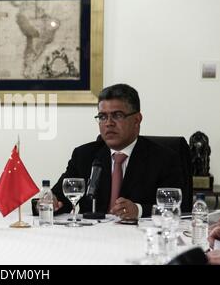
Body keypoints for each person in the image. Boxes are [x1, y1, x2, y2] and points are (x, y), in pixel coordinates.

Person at [51, 83, 185, 219]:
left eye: (117, 115)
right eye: (103, 117)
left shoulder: (164, 159)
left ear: (137, 120)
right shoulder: (84, 155)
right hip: (91, 236)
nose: (109, 123)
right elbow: (59, 200)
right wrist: (48, 203)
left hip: (138, 236)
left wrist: (138, 210)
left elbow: (178, 208)